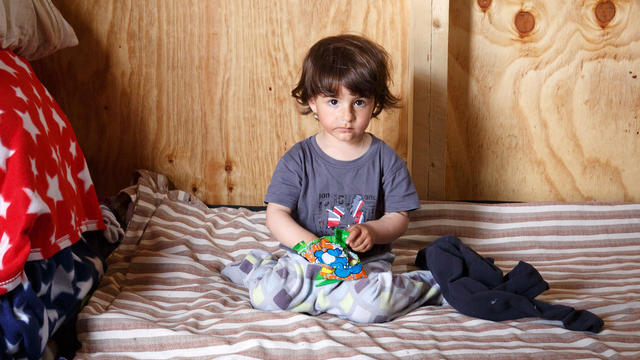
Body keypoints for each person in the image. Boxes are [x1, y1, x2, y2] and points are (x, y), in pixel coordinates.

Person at [222, 34, 442, 323]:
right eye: (334, 101)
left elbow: (398, 217)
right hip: (304, 260)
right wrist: (312, 247)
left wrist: (373, 231)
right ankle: (260, 267)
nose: (347, 115)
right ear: (313, 102)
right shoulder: (298, 158)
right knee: (266, 297)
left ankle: (426, 285)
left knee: (373, 308)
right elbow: (276, 216)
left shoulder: (385, 159)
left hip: (364, 264)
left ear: (375, 102)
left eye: (359, 102)